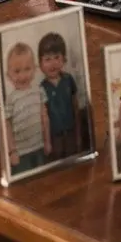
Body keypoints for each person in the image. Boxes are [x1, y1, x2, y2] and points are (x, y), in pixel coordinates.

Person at [4, 41, 49, 174]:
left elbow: (45, 118)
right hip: (21, 153)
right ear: (9, 75)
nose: (23, 75)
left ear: (35, 69)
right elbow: (6, 125)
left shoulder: (39, 91)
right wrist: (12, 151)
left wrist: (47, 141)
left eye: (27, 69)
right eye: (17, 71)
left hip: (39, 147)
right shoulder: (11, 99)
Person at [37, 31, 82, 160]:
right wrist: (47, 142)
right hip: (54, 137)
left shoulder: (68, 80)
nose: (53, 63)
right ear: (40, 64)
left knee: (74, 159)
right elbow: (44, 117)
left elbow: (76, 107)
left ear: (64, 59)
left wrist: (78, 134)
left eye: (57, 57)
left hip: (71, 132)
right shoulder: (42, 88)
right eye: (47, 59)